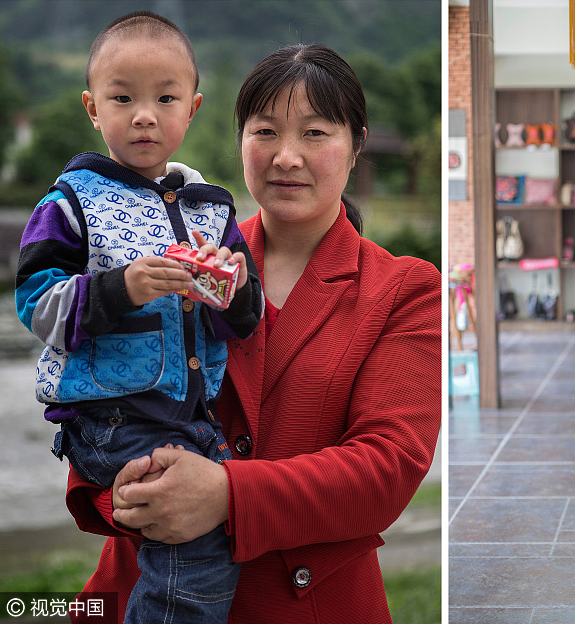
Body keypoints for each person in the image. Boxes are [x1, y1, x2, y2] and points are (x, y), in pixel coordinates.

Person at [61, 43, 441, 624]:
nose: (286, 157)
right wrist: (128, 497)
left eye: (315, 134)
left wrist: (226, 496)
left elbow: (387, 469)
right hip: (144, 588)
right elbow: (98, 395)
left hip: (309, 604)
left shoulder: (403, 290)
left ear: (357, 144)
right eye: (265, 131)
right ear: (240, 140)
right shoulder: (173, 260)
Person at [15, 11, 263, 624]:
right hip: (112, 418)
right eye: (122, 98)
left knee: (235, 517)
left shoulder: (212, 210)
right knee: (191, 539)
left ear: (193, 109)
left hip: (188, 417)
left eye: (165, 98)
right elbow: (34, 302)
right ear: (93, 108)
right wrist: (118, 289)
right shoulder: (72, 201)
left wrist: (225, 285)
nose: (144, 114)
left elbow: (247, 317)